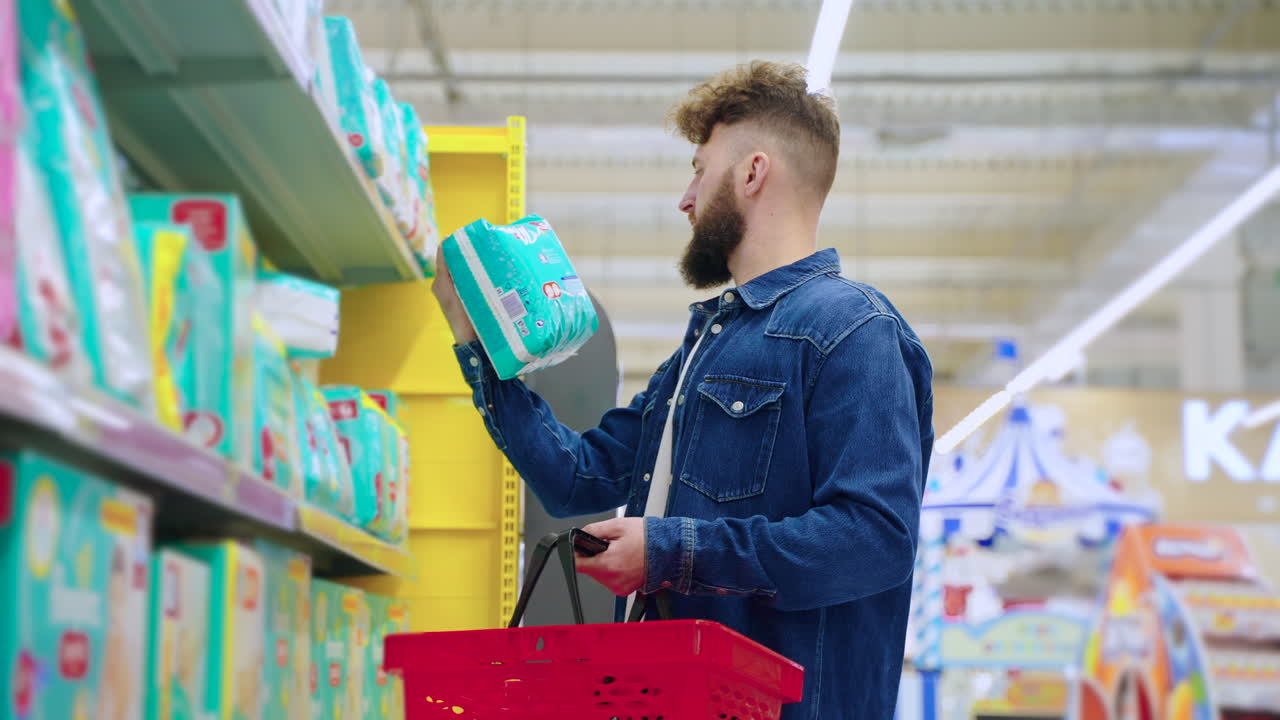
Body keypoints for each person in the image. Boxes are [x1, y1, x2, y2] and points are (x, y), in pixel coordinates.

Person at [432, 60, 934, 719]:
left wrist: (670, 550)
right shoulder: (702, 350)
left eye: (700, 169)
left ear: (753, 173)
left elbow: (873, 539)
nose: (686, 198)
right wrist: (479, 344)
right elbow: (575, 479)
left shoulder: (854, 332)